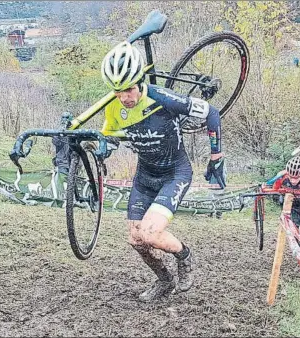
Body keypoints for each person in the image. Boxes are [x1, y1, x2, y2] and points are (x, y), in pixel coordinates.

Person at [100, 41, 226, 302]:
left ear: (140, 81)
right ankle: (164, 281)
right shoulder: (113, 108)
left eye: (130, 89)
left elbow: (212, 113)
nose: (125, 97)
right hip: (144, 177)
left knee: (151, 233)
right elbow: (108, 141)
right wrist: (93, 147)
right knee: (136, 239)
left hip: (175, 174)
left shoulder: (163, 98)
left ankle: (184, 256)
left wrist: (216, 156)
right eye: (118, 91)